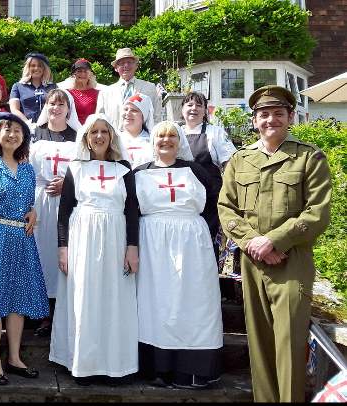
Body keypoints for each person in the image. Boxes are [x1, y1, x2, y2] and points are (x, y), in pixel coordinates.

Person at [217, 85, 332, 402]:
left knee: (290, 345)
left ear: (290, 117)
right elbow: (226, 208)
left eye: (278, 114)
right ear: (254, 121)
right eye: (264, 114)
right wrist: (253, 242)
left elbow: (318, 212)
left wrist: (275, 240)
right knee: (260, 345)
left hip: (290, 263)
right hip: (252, 263)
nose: (271, 120)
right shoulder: (240, 161)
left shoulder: (309, 157)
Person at [49, 113, 139, 386]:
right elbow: (64, 211)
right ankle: (84, 364)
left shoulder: (124, 169)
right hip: (82, 239)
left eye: (104, 131)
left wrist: (132, 247)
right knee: (83, 298)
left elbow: (132, 210)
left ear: (111, 136)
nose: (99, 136)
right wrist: (62, 248)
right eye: (93, 132)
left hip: (115, 237)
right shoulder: (76, 168)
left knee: (114, 298)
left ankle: (115, 365)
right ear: (86, 138)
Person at [134, 121, 223, 389]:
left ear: (180, 139)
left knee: (193, 303)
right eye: (161, 135)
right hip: (152, 246)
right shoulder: (139, 173)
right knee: (156, 304)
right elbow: (130, 212)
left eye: (172, 135)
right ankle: (157, 368)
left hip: (192, 246)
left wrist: (202, 233)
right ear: (153, 141)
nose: (166, 140)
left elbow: (214, 204)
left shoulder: (195, 170)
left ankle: (192, 369)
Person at [0, 112, 50, 386]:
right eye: (7, 129)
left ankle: (14, 358)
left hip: (22, 239)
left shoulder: (28, 169)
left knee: (17, 301)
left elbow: (28, 203)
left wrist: (33, 213)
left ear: (24, 138)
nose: (12, 135)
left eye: (18, 131)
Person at [29, 88, 79, 337]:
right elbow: (26, 170)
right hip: (41, 202)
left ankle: (64, 310)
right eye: (52, 103)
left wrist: (67, 184)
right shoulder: (34, 135)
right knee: (40, 254)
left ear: (69, 109)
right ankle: (42, 313)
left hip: (68, 204)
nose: (56, 108)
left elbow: (85, 171)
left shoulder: (78, 136)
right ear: (45, 107)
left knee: (65, 255)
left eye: (61, 104)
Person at [181, 92, 236, 259]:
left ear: (205, 111)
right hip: (183, 200)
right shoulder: (175, 132)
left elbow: (230, 164)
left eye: (199, 105)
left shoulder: (215, 132)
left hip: (209, 200)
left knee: (207, 247)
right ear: (182, 109)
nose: (194, 109)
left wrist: (231, 194)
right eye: (189, 105)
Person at [96, 48, 162, 129]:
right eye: (122, 63)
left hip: (142, 138)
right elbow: (100, 119)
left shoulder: (149, 87)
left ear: (136, 66)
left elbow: (157, 116)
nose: (126, 65)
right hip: (115, 139)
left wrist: (152, 136)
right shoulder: (105, 92)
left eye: (129, 62)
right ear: (116, 68)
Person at [9, 52, 57, 126]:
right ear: (28, 67)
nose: (36, 68)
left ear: (44, 68)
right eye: (33, 66)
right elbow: (14, 110)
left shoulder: (53, 87)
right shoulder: (18, 86)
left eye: (40, 66)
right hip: (25, 126)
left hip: (49, 126)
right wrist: (28, 124)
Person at [58, 58, 105, 125]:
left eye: (85, 71)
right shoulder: (67, 93)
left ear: (90, 75)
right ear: (74, 74)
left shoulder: (98, 94)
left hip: (89, 130)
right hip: (70, 131)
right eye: (79, 71)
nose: (83, 74)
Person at [119, 92, 154, 169]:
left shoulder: (153, 142)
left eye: (134, 110)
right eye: (126, 109)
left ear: (143, 117)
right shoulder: (114, 139)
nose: (128, 113)